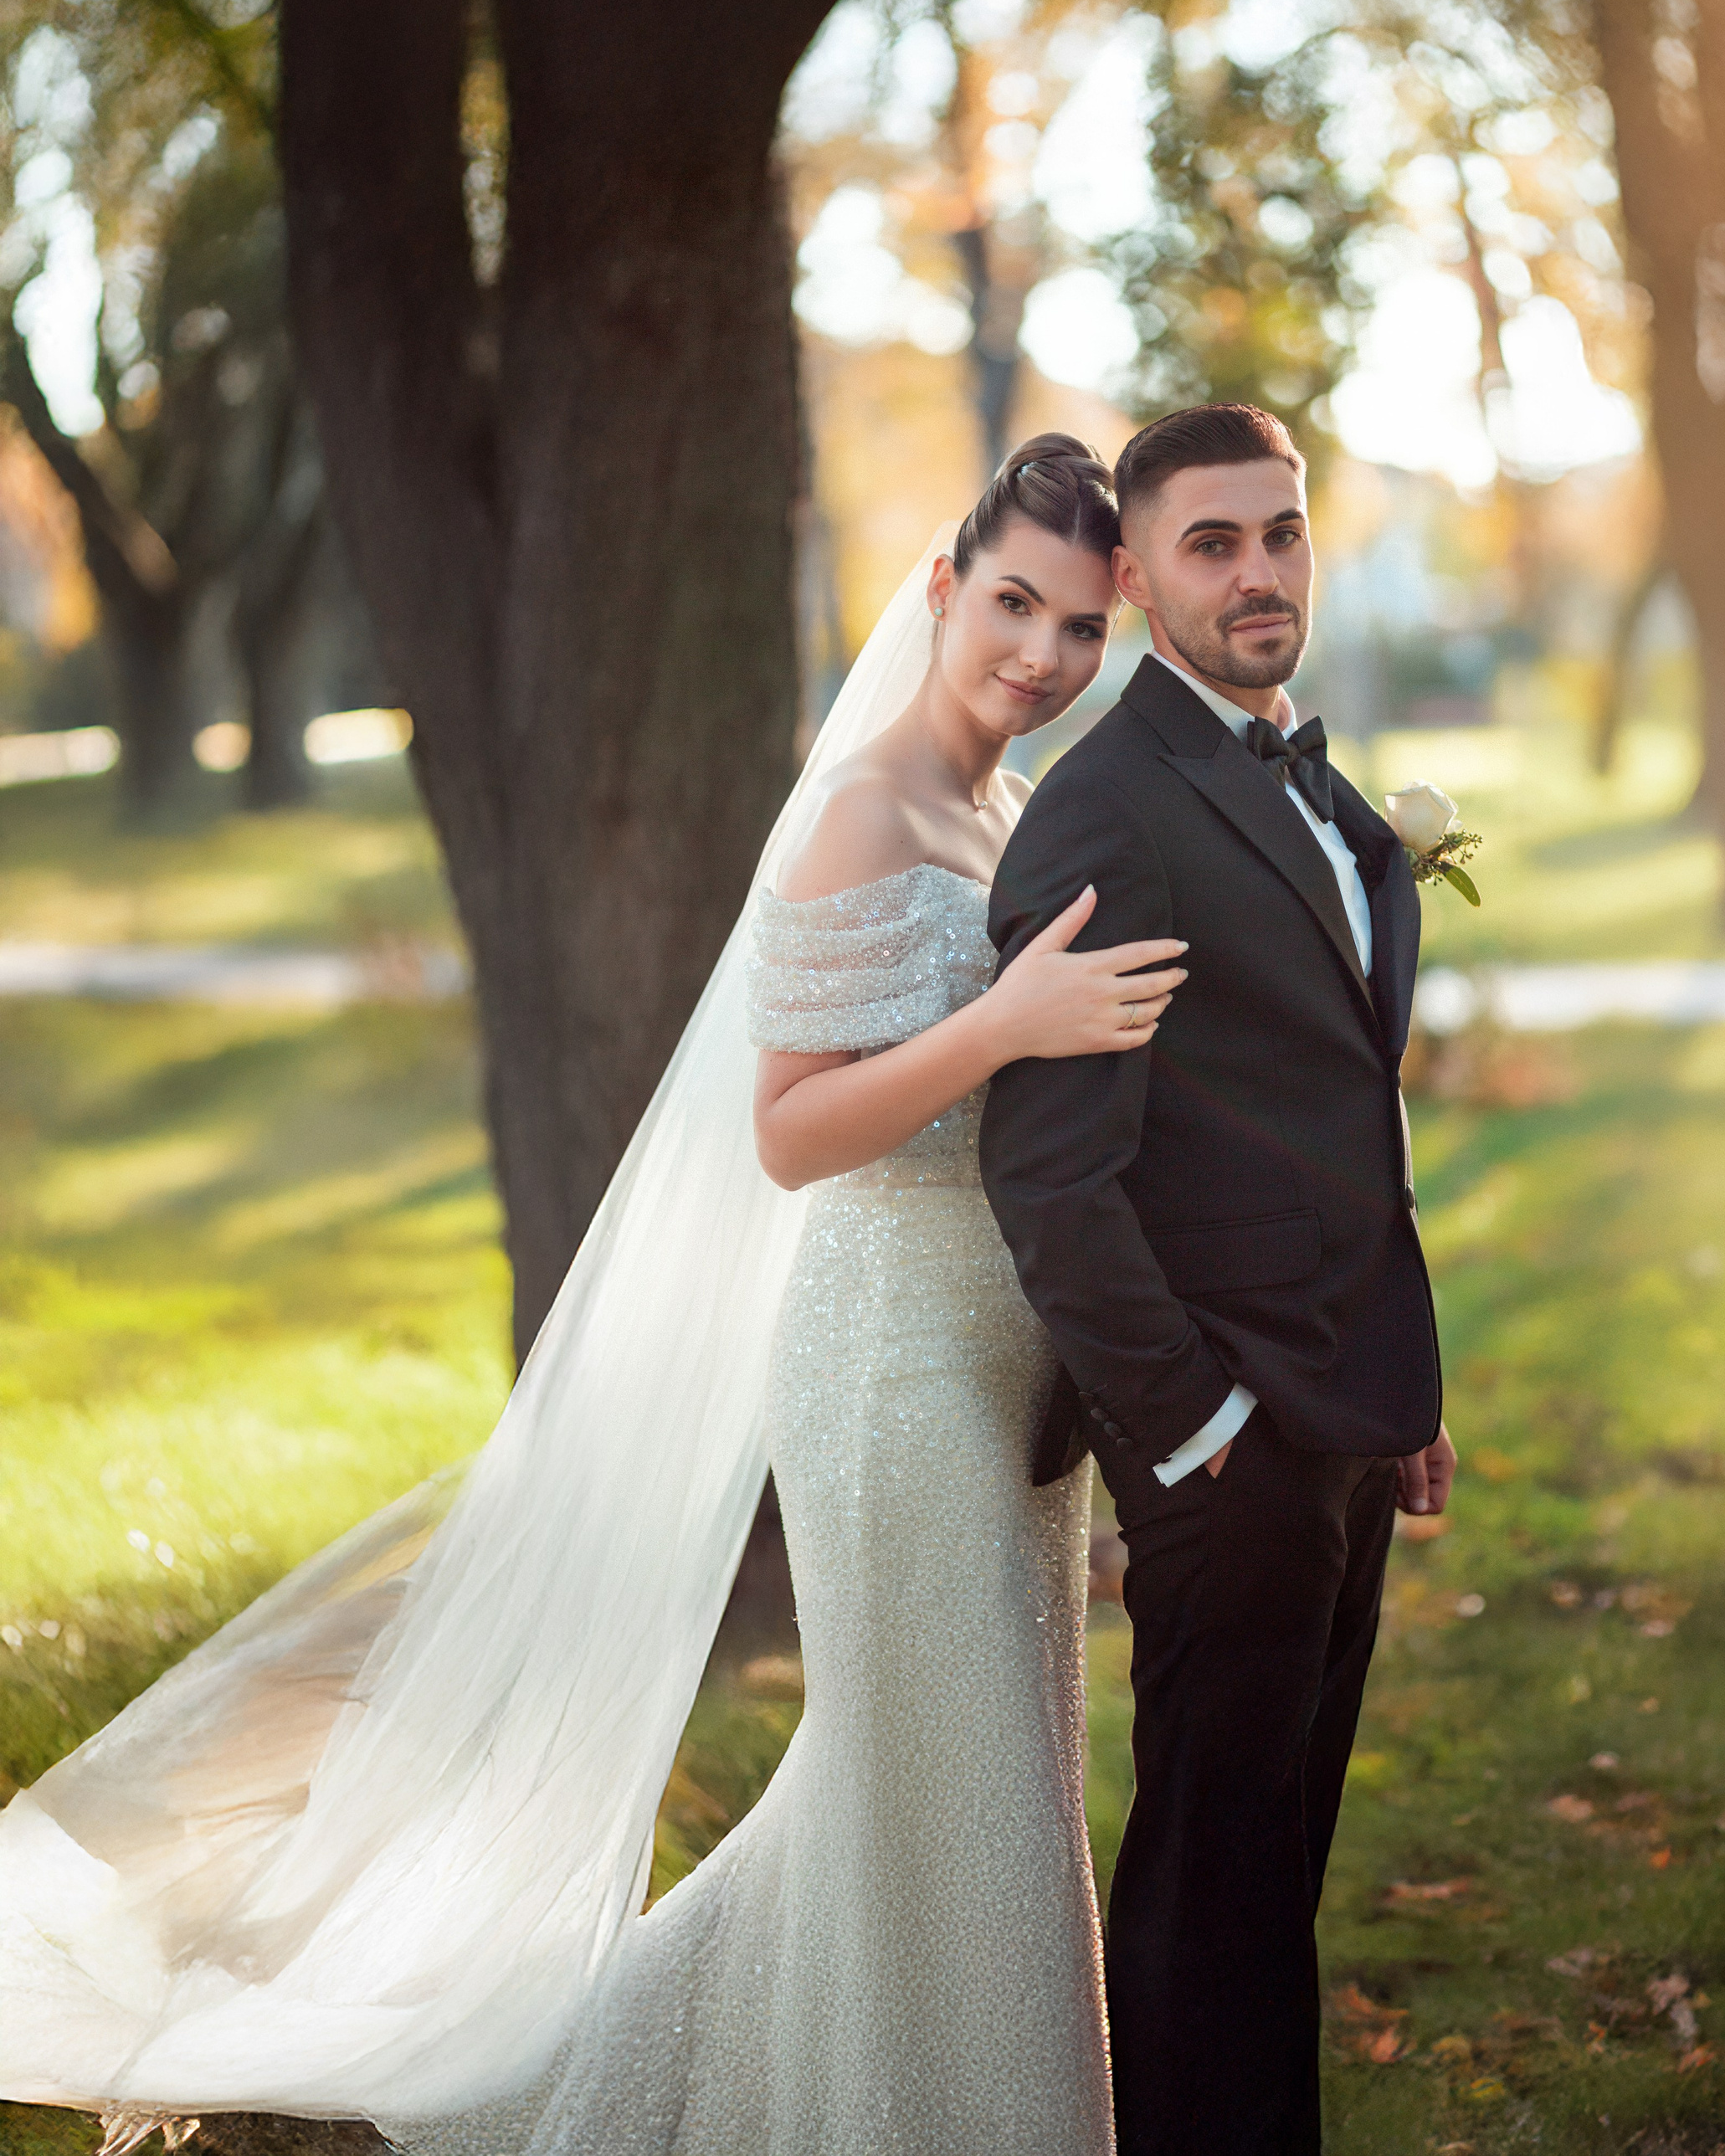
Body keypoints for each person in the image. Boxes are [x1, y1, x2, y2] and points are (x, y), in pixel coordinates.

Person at [0, 436, 1156, 2156]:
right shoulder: (864, 810)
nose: (1039, 658)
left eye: (1076, 626)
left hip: (1001, 1378)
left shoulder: (1003, 809)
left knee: (923, 1807)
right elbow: (786, 1132)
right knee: (958, 1807)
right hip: (888, 1373)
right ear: (940, 590)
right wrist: (997, 1028)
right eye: (1010, 606)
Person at [981, 402, 1457, 2156]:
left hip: (1335, 1417)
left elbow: (1325, 1119)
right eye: (1209, 543)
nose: (1256, 574)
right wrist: (1195, 1435)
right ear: (1132, 575)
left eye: (1279, 534)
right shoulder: (1113, 813)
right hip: (1223, 1457)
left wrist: (1392, 1395)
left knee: (1277, 1883)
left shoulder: (1313, 786)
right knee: (1206, 1899)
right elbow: (1050, 1173)